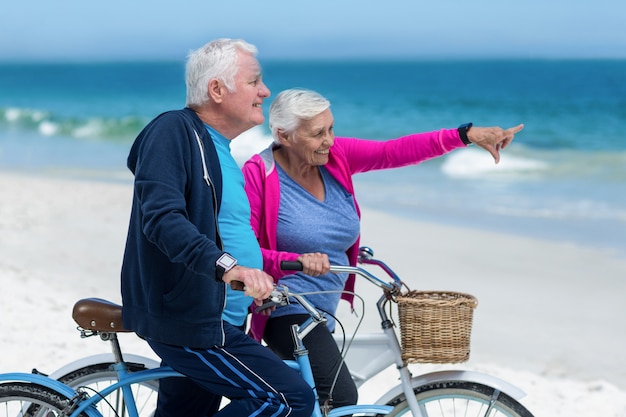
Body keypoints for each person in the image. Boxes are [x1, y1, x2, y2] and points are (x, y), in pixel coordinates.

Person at [243, 88, 524, 410]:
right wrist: (295, 261)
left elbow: (395, 151)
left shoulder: (335, 158)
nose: (329, 141)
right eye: (318, 133)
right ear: (284, 134)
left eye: (331, 129)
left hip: (323, 310)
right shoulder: (258, 175)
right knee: (340, 398)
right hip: (285, 309)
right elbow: (246, 253)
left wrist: (465, 135)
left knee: (315, 401)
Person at [120, 40, 315, 417]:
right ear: (217, 90)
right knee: (290, 399)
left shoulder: (222, 150)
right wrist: (231, 268)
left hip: (223, 320)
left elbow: (224, 229)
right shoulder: (173, 131)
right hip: (193, 324)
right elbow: (162, 219)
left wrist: (256, 278)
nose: (265, 91)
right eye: (255, 81)